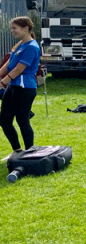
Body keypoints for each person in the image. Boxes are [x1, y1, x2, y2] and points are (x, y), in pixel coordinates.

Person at [0, 17, 41, 153]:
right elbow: (8, 65)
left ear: (25, 28)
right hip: (13, 87)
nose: (12, 31)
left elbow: (19, 68)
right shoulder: (19, 45)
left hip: (25, 88)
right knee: (5, 120)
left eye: (14, 28)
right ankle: (17, 151)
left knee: (22, 120)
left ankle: (30, 152)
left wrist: (3, 82)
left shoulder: (32, 46)